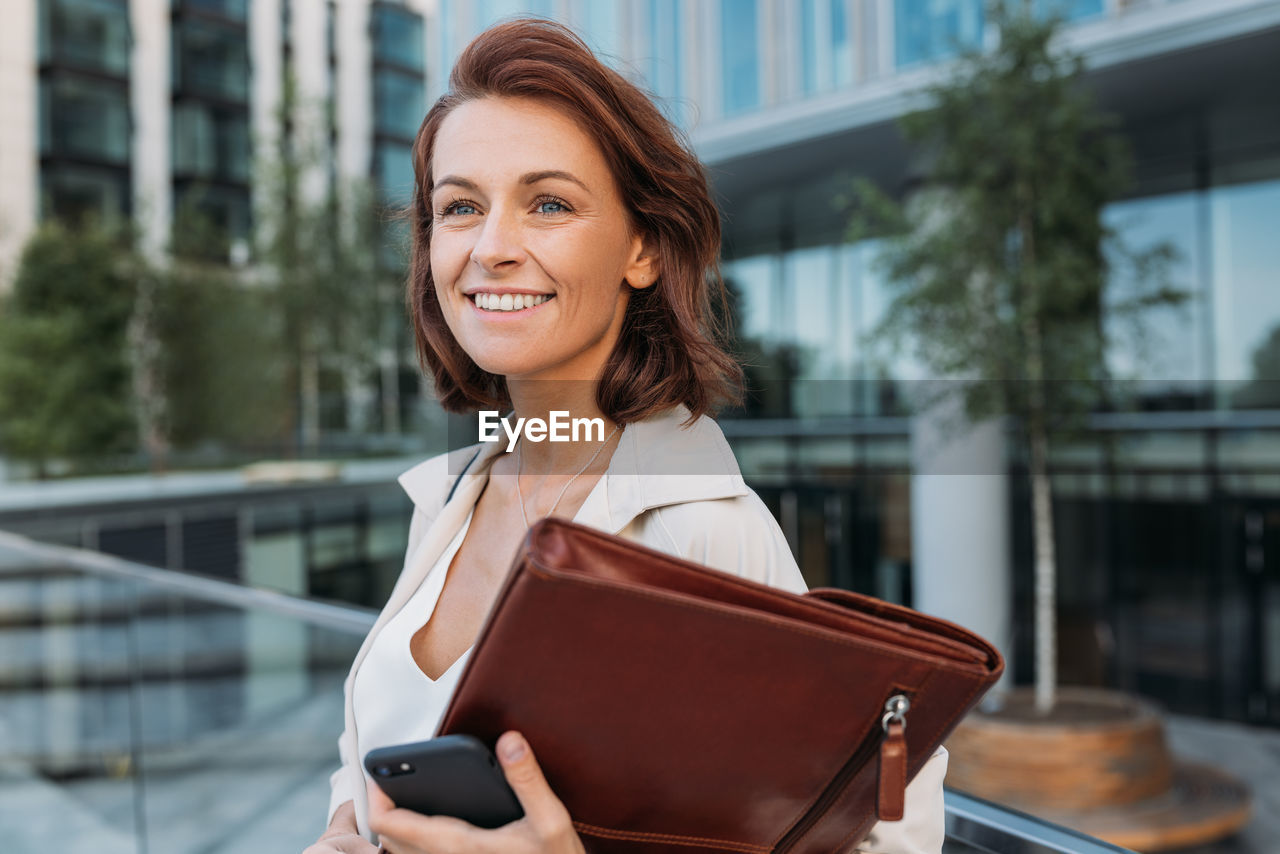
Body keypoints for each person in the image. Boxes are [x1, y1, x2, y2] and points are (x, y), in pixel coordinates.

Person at [307, 18, 946, 854]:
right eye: (460, 207)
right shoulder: (456, 496)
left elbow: (875, 840)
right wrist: (340, 828)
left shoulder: (704, 530)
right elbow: (373, 750)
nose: (492, 248)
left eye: (549, 204)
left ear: (640, 249)